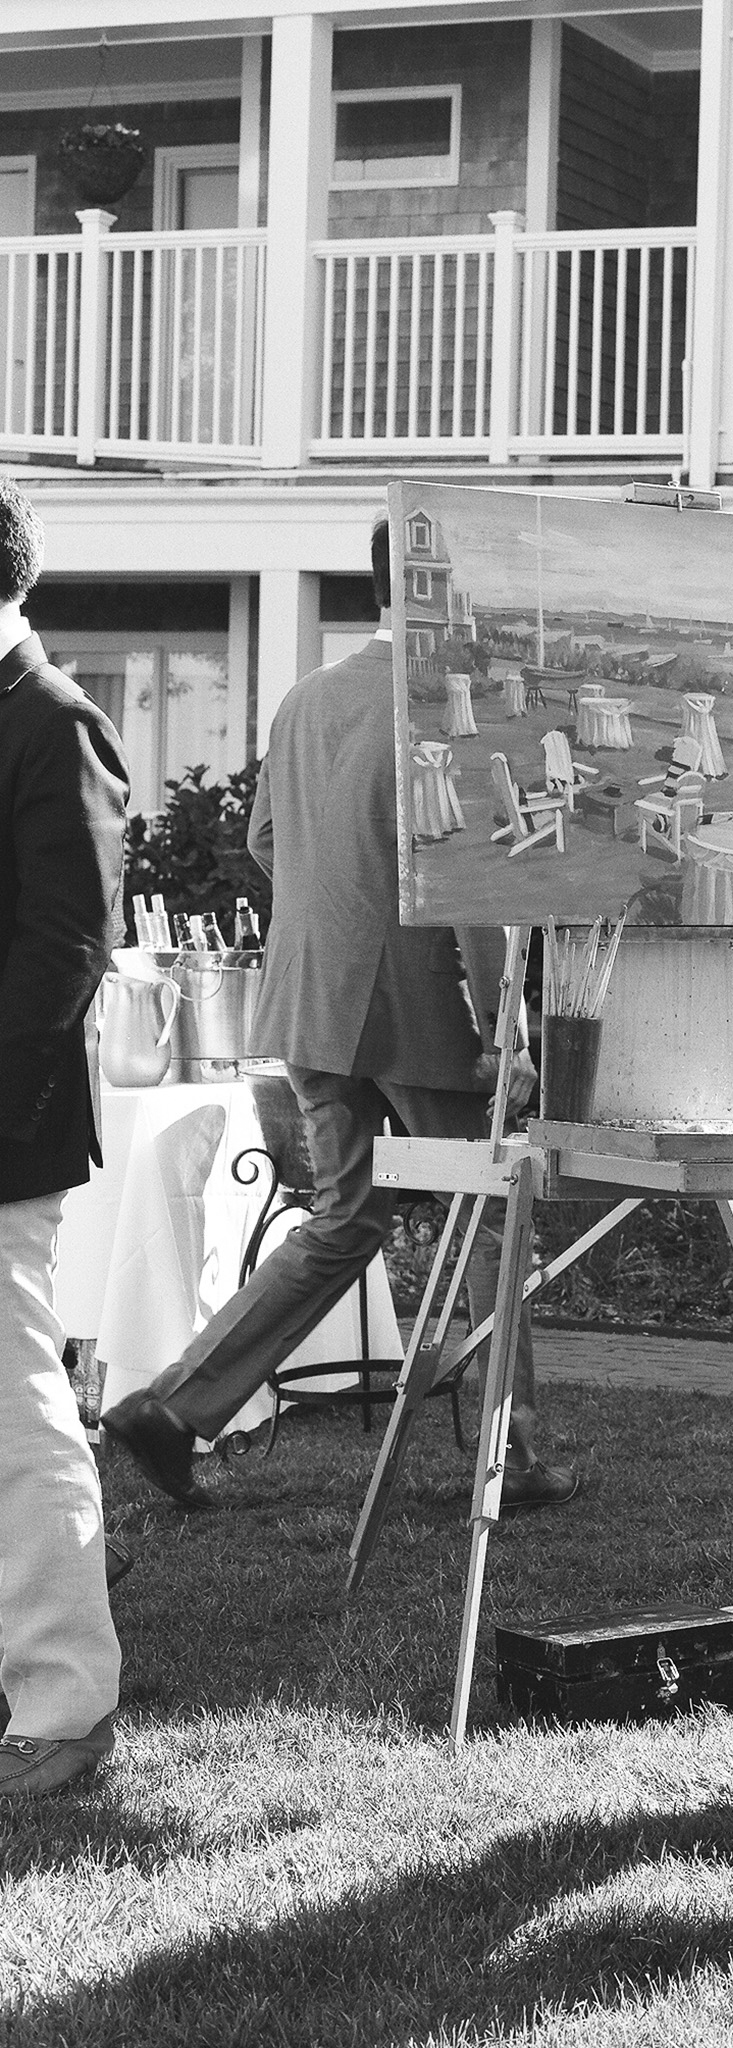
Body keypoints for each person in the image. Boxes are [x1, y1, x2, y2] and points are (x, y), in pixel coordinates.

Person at [103, 521, 577, 1514]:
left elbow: (268, 841)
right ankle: (512, 1454)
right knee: (489, 1211)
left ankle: (175, 1406)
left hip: (310, 1000)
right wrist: (506, 1026)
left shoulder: (307, 697)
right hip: (419, 1007)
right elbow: (470, 885)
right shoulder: (446, 702)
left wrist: (342, 914)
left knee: (346, 1217)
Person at [0, 477, 129, 1798]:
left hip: (3, 1143)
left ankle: (62, 1708)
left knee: (17, 1427)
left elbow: (65, 953)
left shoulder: (57, 723)